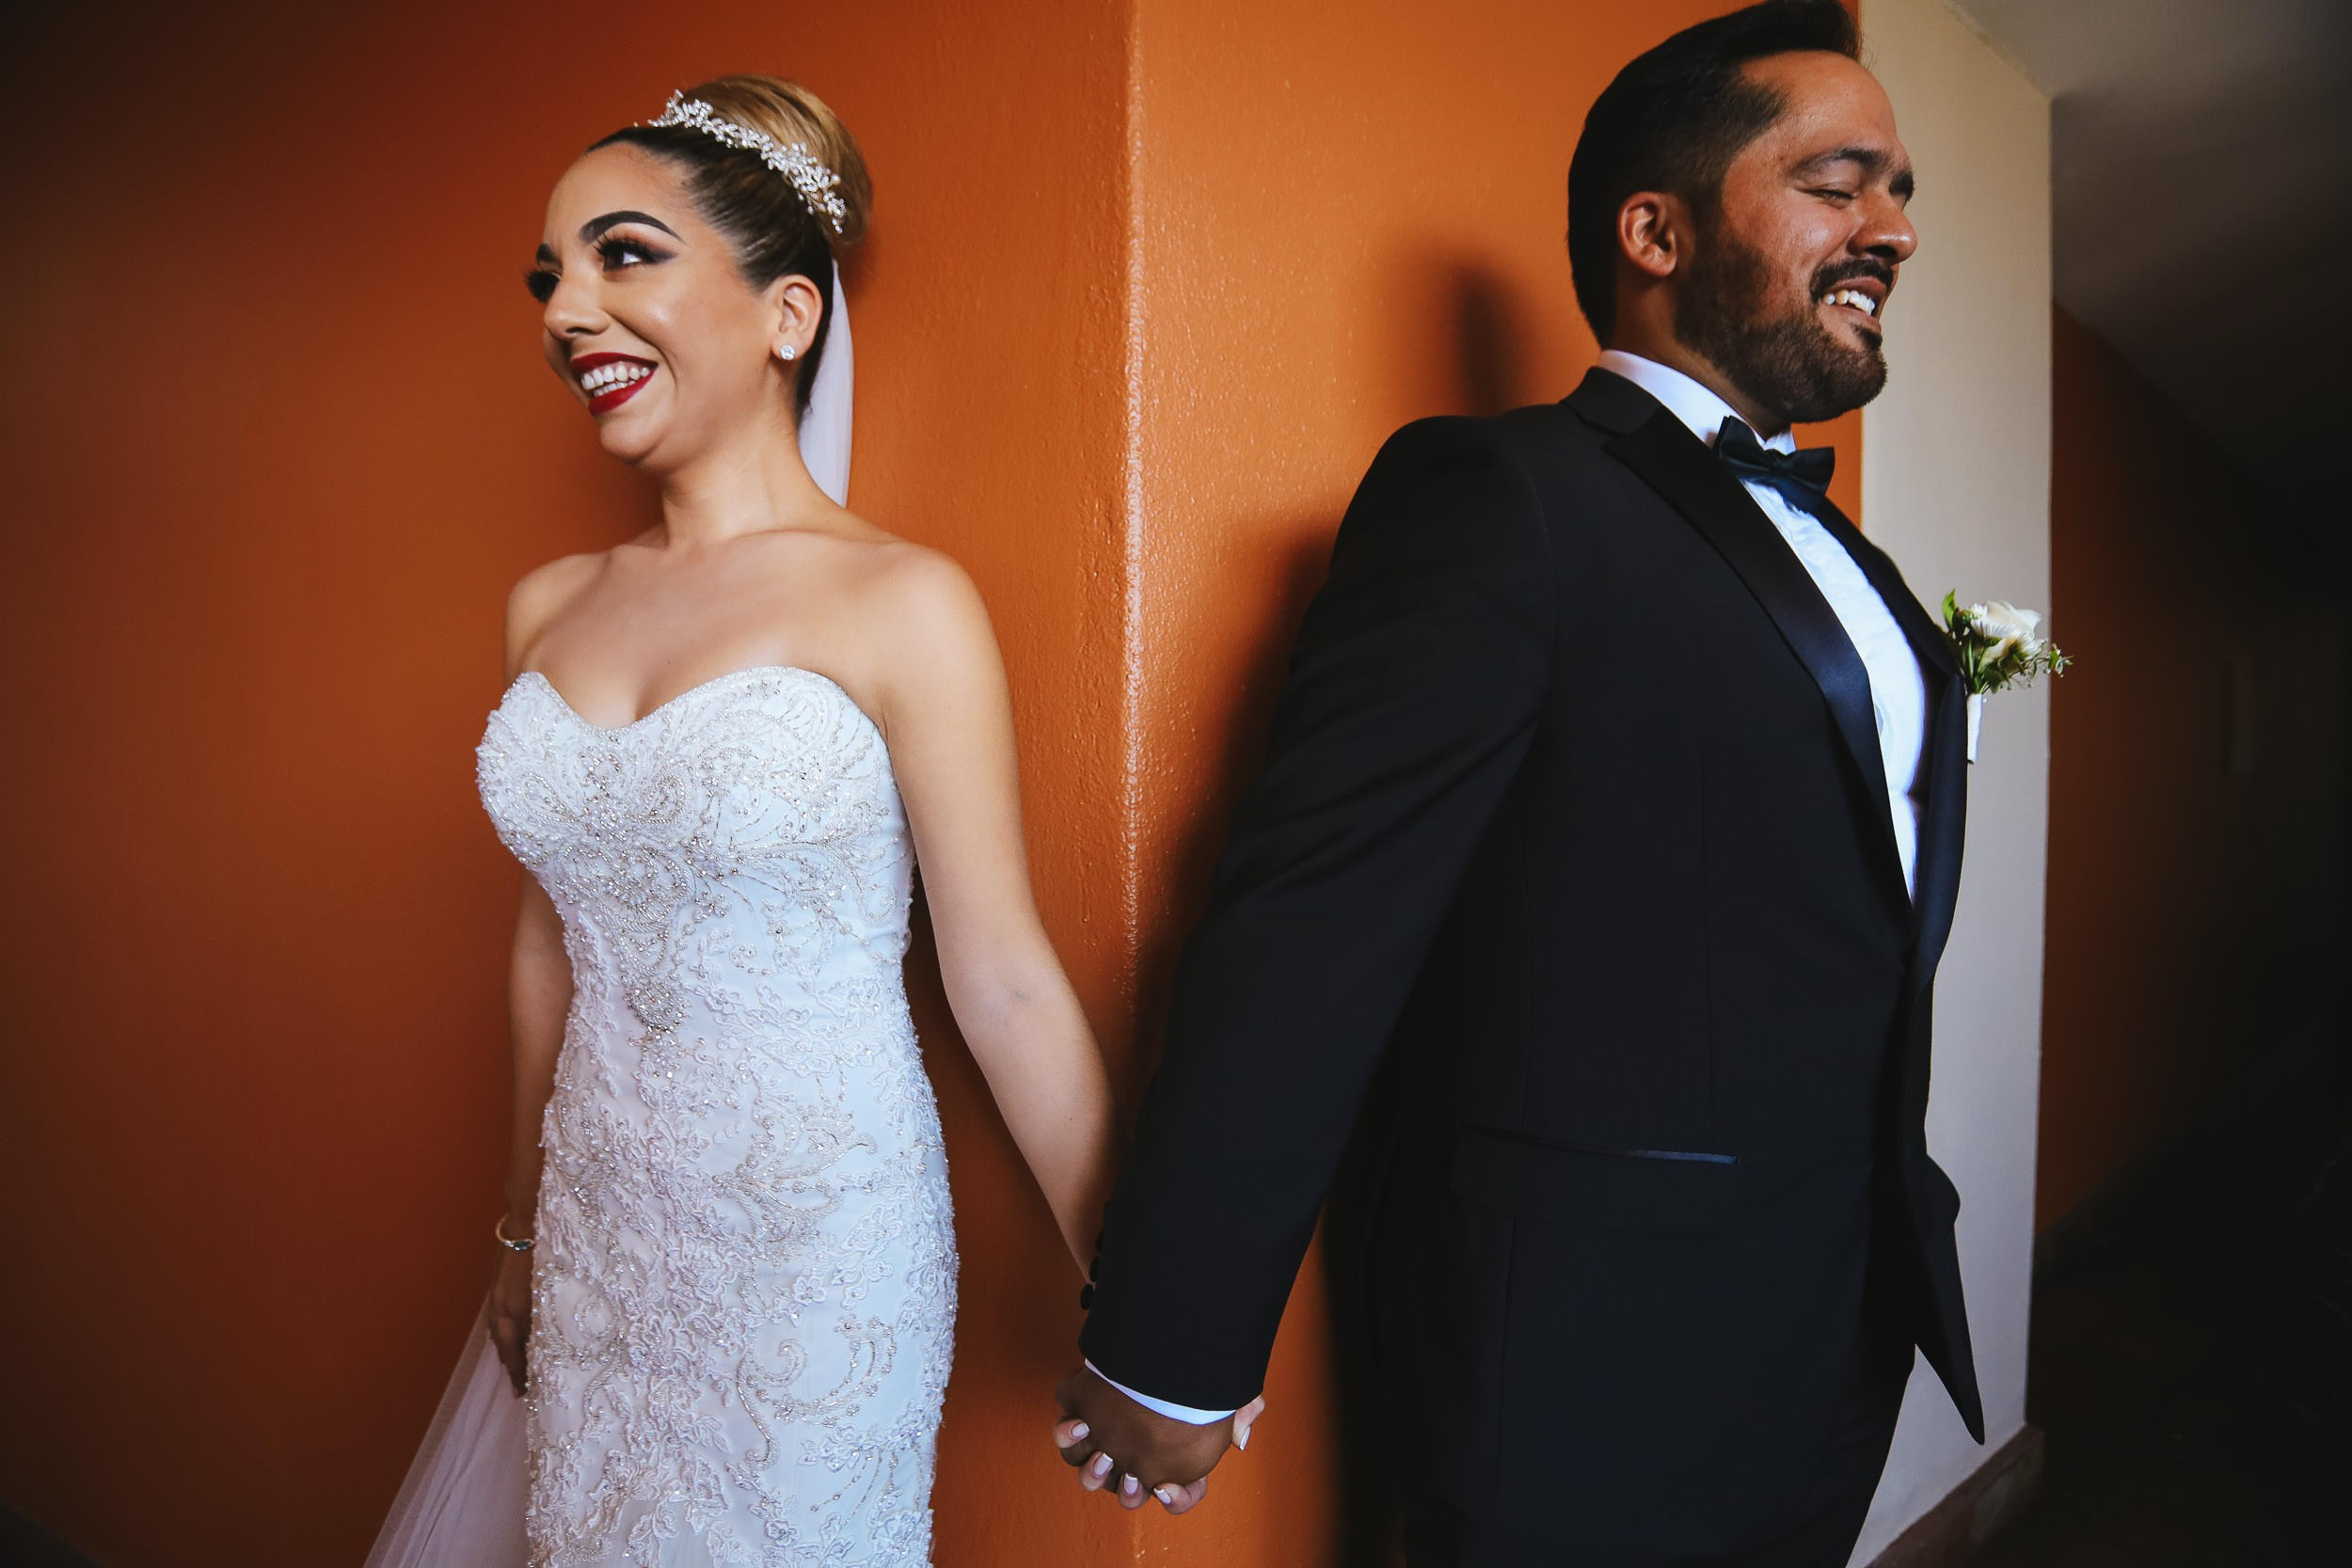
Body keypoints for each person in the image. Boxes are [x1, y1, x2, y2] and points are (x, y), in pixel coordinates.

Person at [1052, 3, 1985, 1563]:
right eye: (1839, 182)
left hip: (1838, 1326)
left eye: (1899, 193)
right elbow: (1316, 925)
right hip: (1591, 1366)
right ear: (1655, 232)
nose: (1890, 229)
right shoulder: (1499, 496)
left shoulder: (1854, 568)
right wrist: (1172, 1336)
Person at [368, 75, 1126, 1568]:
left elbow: (1003, 979)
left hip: (811, 1250)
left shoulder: (902, 602)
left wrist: (1149, 1299)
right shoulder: (547, 608)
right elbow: (547, 949)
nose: (565, 312)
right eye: (549, 276)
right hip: (601, 1229)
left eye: (623, 255)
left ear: (789, 315)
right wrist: (522, 1232)